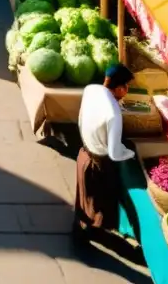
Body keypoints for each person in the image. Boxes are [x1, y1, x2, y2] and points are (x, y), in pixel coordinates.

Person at [73, 65, 136, 249]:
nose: (127, 91)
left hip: (84, 152)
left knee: (85, 196)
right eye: (126, 87)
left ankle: (83, 226)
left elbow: (81, 118)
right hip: (100, 163)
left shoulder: (91, 89)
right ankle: (90, 234)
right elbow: (115, 153)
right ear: (119, 89)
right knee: (99, 201)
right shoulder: (114, 114)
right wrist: (131, 153)